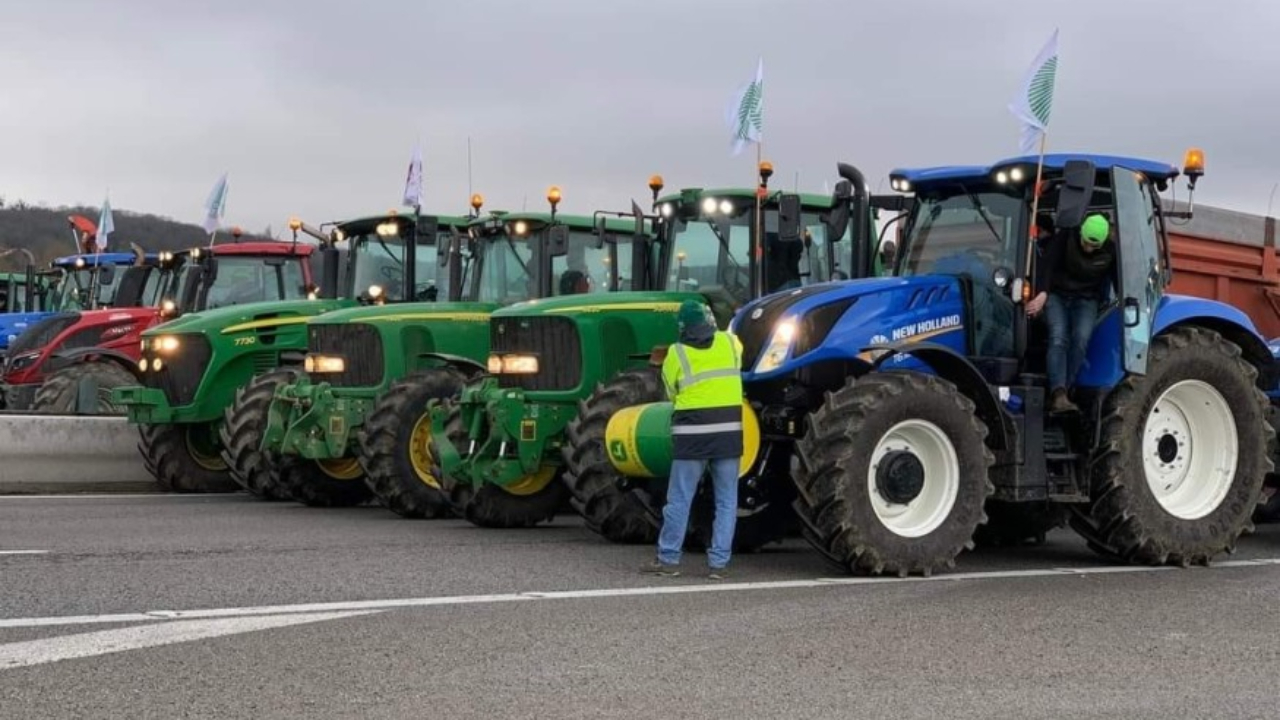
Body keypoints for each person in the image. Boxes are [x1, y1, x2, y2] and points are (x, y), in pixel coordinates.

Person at [640, 300, 744, 580]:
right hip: (728, 433)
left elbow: (671, 392)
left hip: (692, 435)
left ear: (682, 327)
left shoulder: (676, 353)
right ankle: (718, 565)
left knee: (680, 499)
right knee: (726, 501)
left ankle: (669, 559)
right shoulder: (731, 343)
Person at [1027, 213, 1116, 414]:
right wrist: (1042, 293)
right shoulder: (1066, 237)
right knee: (1059, 336)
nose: (1089, 248)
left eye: (1095, 246)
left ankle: (1062, 392)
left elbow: (1118, 281)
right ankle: (1058, 393)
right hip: (1057, 295)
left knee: (1081, 338)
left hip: (1086, 299)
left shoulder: (1111, 252)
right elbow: (1047, 265)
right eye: (1086, 242)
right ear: (1081, 233)